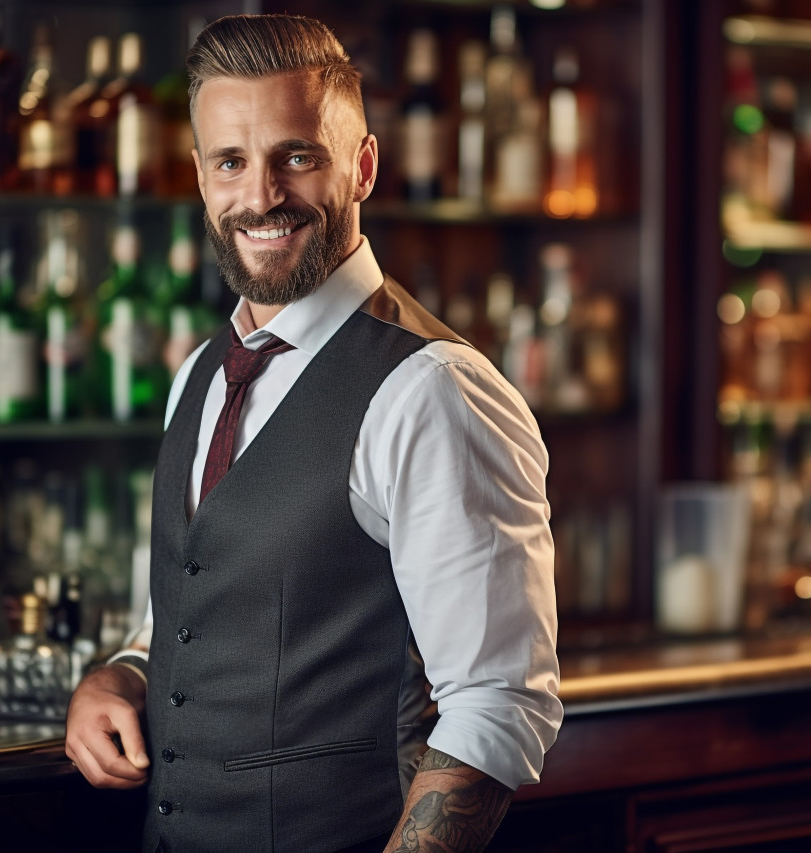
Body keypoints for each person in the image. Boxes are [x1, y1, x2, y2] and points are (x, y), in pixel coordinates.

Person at [64, 14, 562, 853]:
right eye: (231, 162)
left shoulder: (432, 388)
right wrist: (119, 674)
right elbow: (187, 616)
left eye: (296, 155)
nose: (259, 195)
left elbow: (498, 702)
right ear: (199, 175)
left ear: (362, 165)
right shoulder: (200, 373)